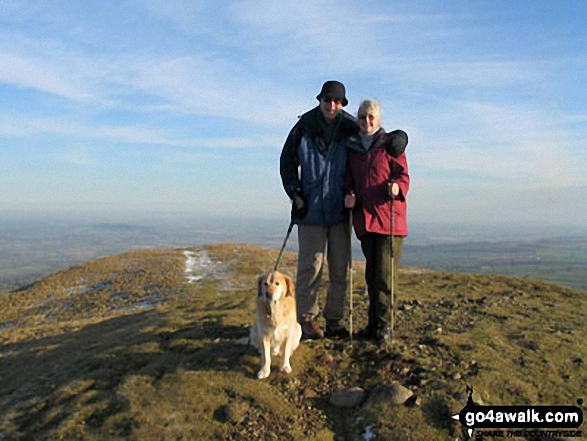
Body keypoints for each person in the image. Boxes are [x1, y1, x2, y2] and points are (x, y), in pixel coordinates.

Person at [280, 80, 359, 340]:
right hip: (310, 211)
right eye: (328, 100)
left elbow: (372, 147)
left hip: (340, 211)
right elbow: (287, 162)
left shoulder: (350, 126)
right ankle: (306, 321)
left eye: (337, 101)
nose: (332, 105)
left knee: (339, 268)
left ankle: (334, 321)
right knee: (309, 268)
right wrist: (295, 193)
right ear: (320, 100)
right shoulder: (304, 126)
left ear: (342, 104)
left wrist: (397, 140)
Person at [344, 99, 409, 342]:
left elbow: (403, 174)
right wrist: (349, 193)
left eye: (371, 117)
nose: (367, 121)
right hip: (366, 219)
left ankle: (384, 326)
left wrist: (397, 188)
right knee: (372, 275)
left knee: (385, 276)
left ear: (378, 120)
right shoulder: (353, 148)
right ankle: (374, 325)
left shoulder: (390, 144)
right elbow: (349, 179)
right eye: (363, 117)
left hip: (389, 219)